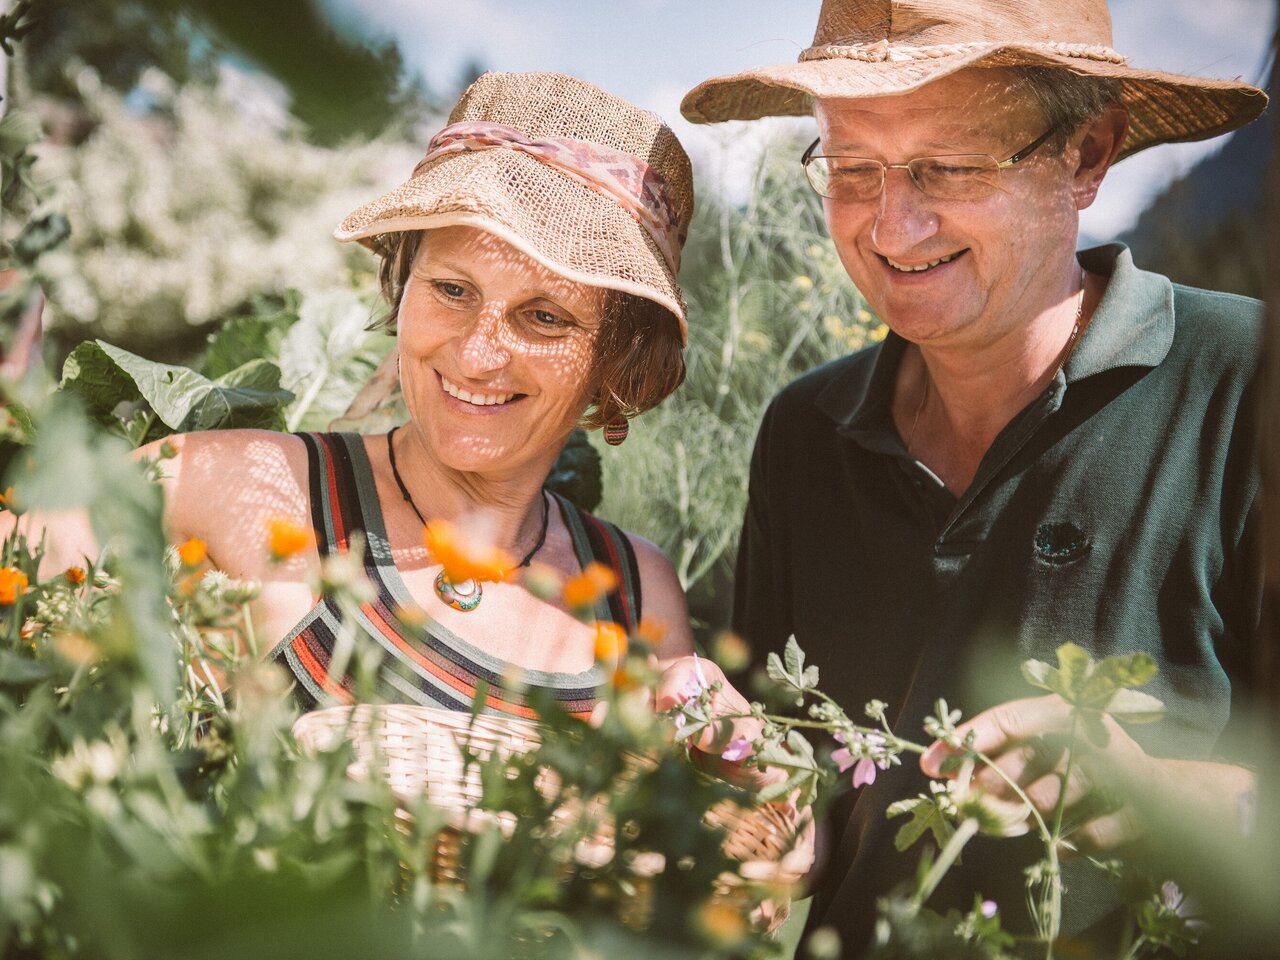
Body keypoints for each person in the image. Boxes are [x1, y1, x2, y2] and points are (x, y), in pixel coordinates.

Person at [674, 0, 1269, 951]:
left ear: (1087, 155)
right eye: (852, 169)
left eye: (948, 167)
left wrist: (1159, 798)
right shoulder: (804, 432)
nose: (892, 225)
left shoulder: (1247, 381)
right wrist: (758, 812)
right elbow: (808, 783)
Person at [15, 71, 699, 717]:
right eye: (452, 290)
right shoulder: (228, 481)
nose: (476, 355)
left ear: (616, 362)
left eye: (545, 317)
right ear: (404, 283)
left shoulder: (636, 590)